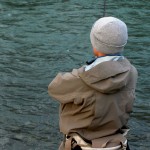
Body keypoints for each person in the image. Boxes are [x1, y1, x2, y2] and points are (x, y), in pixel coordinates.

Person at [48, 17, 138, 150]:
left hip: (82, 145)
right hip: (117, 144)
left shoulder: (81, 78)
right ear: (123, 42)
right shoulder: (132, 72)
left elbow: (54, 88)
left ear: (95, 45)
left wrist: (85, 70)